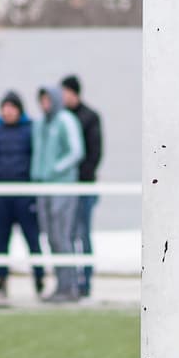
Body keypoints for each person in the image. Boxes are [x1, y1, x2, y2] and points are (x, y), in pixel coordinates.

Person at [0, 92, 47, 302]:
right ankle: (1, 282)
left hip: (24, 195)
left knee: (32, 240)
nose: (7, 112)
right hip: (0, 196)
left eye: (11, 107)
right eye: (4, 107)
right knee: (0, 243)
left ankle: (39, 278)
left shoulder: (31, 130)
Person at [31, 85, 86, 302]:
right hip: (42, 186)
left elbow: (76, 151)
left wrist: (55, 169)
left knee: (63, 236)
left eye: (47, 100)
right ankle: (60, 285)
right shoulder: (40, 124)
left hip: (62, 186)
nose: (44, 104)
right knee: (52, 237)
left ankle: (70, 285)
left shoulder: (65, 120)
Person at [61, 75, 102, 298]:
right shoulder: (62, 117)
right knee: (66, 233)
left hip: (83, 186)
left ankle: (85, 281)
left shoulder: (90, 117)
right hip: (67, 186)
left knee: (83, 233)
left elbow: (94, 153)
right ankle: (69, 281)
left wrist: (80, 179)